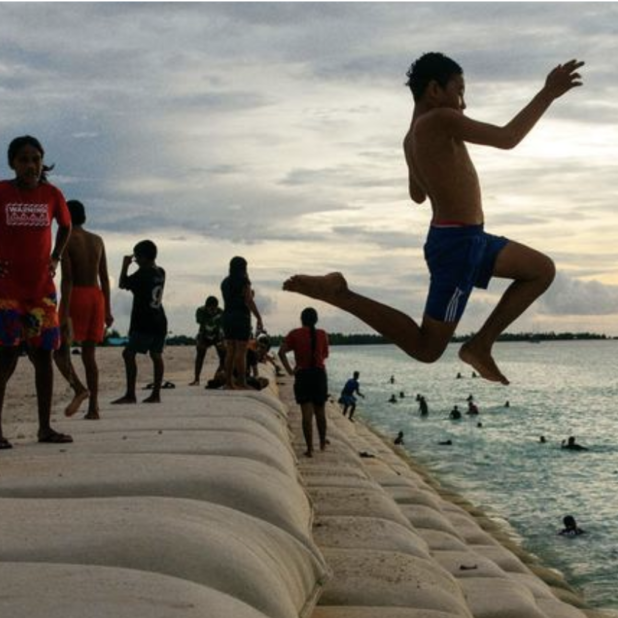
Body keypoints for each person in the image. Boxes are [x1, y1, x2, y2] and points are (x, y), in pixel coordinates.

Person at [283, 53, 584, 385]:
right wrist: (548, 93)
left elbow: (417, 194)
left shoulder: (411, 137)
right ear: (434, 90)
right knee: (426, 348)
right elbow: (507, 137)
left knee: (541, 270)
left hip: (469, 238)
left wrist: (438, 163)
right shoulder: (440, 119)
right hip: (458, 246)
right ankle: (340, 293)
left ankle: (481, 345)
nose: (463, 104)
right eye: (459, 91)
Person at [0, 135, 73, 449]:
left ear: (42, 162)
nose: (31, 165)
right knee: (5, 355)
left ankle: (45, 427)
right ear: (12, 163)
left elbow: (66, 225)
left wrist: (56, 257)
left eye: (36, 159)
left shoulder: (52, 195)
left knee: (43, 356)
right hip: (5, 290)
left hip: (41, 292)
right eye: (23, 159)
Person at [53, 199, 113, 420]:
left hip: (76, 296)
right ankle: (94, 408)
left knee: (60, 353)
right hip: (96, 297)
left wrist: (64, 312)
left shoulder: (67, 239)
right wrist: (108, 309)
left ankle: (79, 388)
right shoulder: (97, 240)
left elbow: (67, 279)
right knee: (89, 355)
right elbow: (104, 278)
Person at [112, 240, 167, 405]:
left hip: (144, 321)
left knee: (128, 354)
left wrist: (125, 266)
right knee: (156, 355)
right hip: (159, 319)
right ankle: (156, 394)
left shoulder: (143, 273)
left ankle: (130, 394)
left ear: (143, 257)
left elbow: (122, 283)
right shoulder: (161, 272)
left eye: (137, 257)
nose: (135, 260)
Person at [278, 307, 330, 457]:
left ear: (302, 319)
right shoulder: (322, 334)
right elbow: (324, 355)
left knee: (306, 414)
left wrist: (290, 371)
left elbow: (281, 352)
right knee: (320, 412)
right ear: (316, 320)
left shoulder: (295, 334)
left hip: (303, 375)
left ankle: (310, 449)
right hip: (319, 375)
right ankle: (322, 443)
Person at [222, 257, 263, 390]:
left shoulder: (225, 282)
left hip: (227, 316)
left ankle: (228, 382)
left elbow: (232, 298)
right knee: (241, 351)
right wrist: (258, 317)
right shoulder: (244, 281)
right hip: (241, 317)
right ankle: (241, 382)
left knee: (230, 350)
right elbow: (248, 300)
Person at [190, 296, 225, 386]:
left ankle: (219, 375)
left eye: (214, 309)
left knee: (223, 356)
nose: (212, 311)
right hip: (204, 334)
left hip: (217, 335)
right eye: (210, 309)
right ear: (206, 307)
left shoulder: (221, 312)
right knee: (200, 356)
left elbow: (223, 326)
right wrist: (213, 318)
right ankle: (196, 379)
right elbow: (199, 321)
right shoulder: (200, 311)